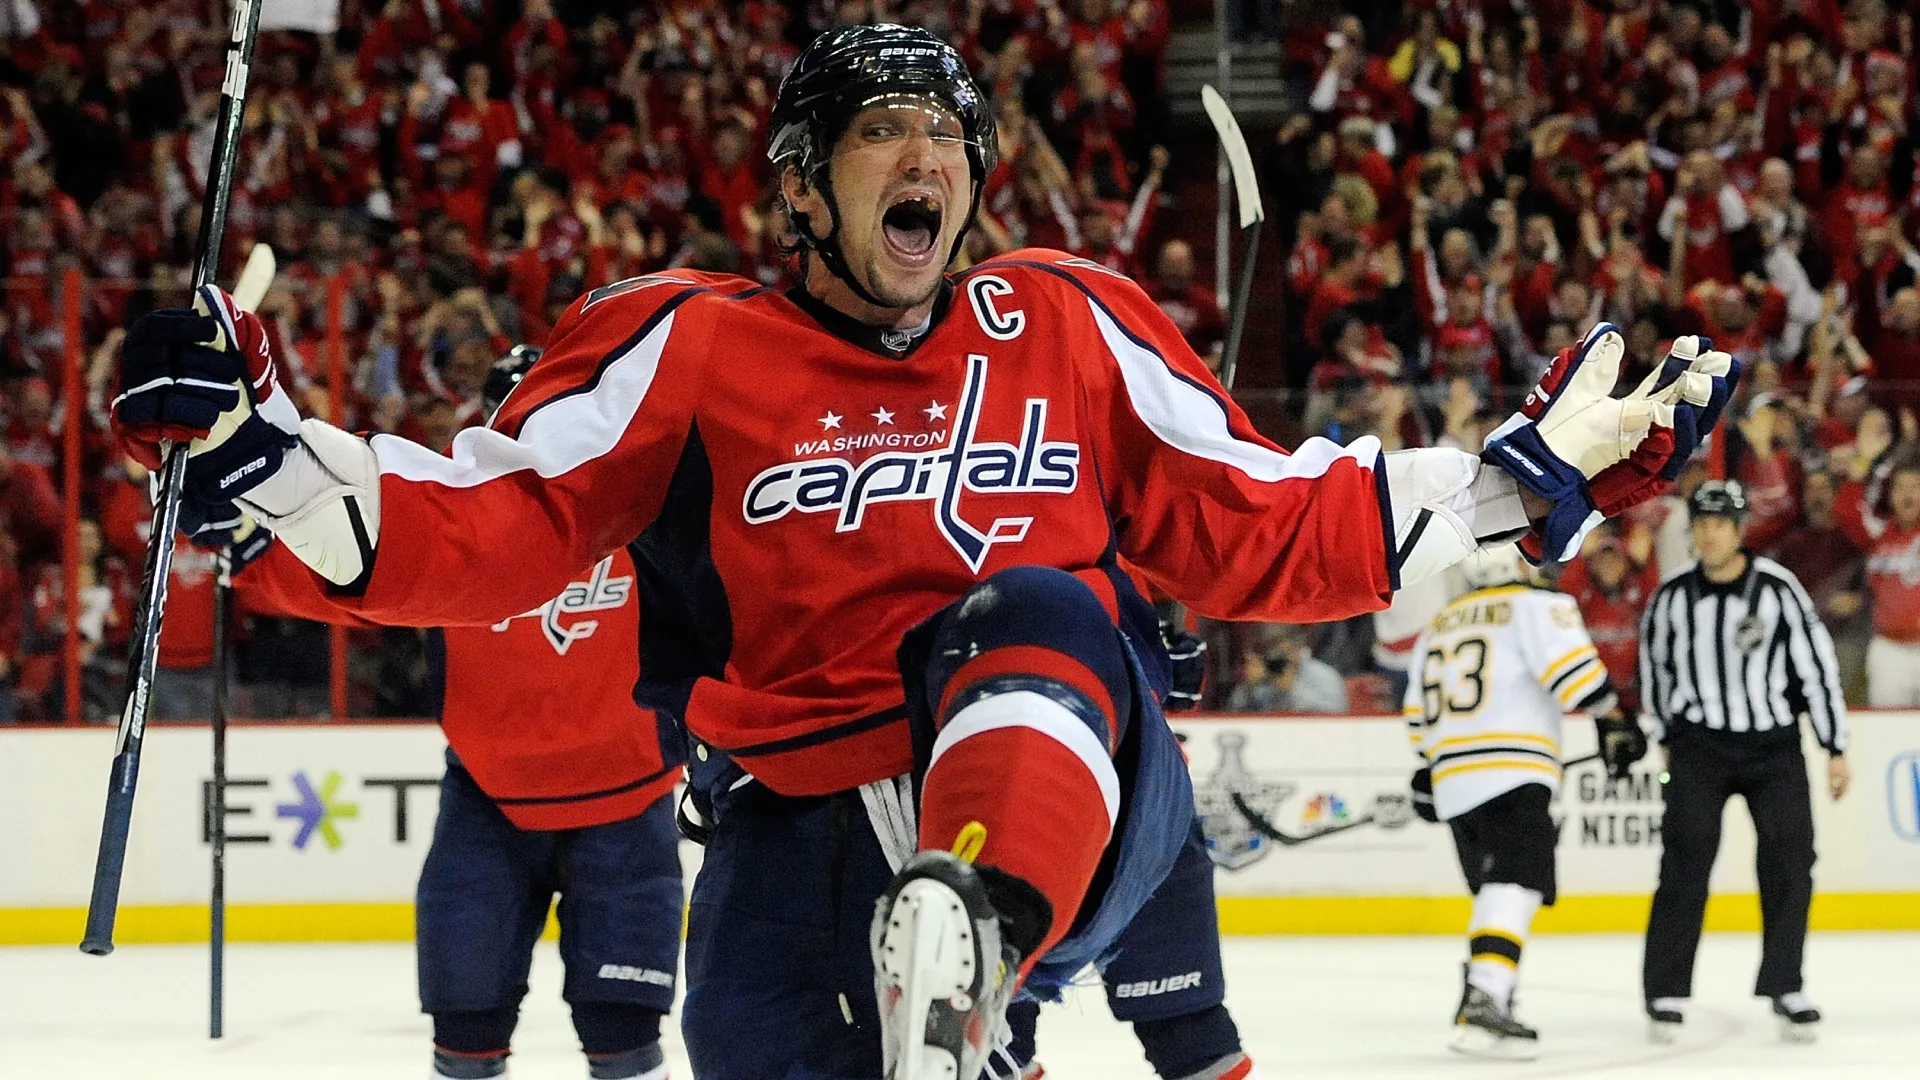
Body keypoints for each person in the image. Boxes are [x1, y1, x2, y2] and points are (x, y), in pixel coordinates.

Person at [110, 25, 1726, 1078]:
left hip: (1064, 775)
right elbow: (485, 519)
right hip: (786, 836)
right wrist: (257, 452)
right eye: (886, 131)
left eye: (951, 132)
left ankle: (978, 945)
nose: (932, 158)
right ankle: (946, 983)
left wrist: (1531, 486)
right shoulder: (685, 345)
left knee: (1023, 610)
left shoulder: (1068, 317)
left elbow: (1269, 512)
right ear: (801, 189)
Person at [236, 348, 684, 1080]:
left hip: (621, 803)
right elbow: (346, 576)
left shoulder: (651, 507)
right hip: (491, 798)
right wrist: (247, 547)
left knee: (623, 1039)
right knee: (467, 1035)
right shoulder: (458, 517)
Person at [1403, 544, 1646, 1059]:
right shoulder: (1535, 605)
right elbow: (1576, 674)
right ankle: (1486, 995)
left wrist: (1430, 768)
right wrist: (1614, 722)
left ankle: (1488, 996)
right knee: (1517, 880)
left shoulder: (1440, 623)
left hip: (1454, 778)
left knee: (1496, 891)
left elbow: (1415, 716)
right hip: (1513, 769)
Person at [1638, 480, 1850, 1044]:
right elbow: (1654, 670)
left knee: (1789, 861)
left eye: (1719, 524)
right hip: (1698, 747)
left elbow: (1816, 668)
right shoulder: (1671, 597)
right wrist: (1664, 733)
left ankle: (1786, 984)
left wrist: (1834, 746)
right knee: (1685, 863)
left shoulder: (1780, 590)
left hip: (1772, 747)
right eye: (1700, 525)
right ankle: (1665, 988)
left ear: (1739, 530)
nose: (1708, 534)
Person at [1224, 625, 1348, 713]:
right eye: (1271, 646)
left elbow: (1336, 715)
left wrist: (1291, 690)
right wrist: (1248, 687)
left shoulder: (1324, 675)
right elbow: (1232, 713)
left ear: (1297, 647)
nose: (1278, 653)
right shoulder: (1265, 674)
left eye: (1284, 648)